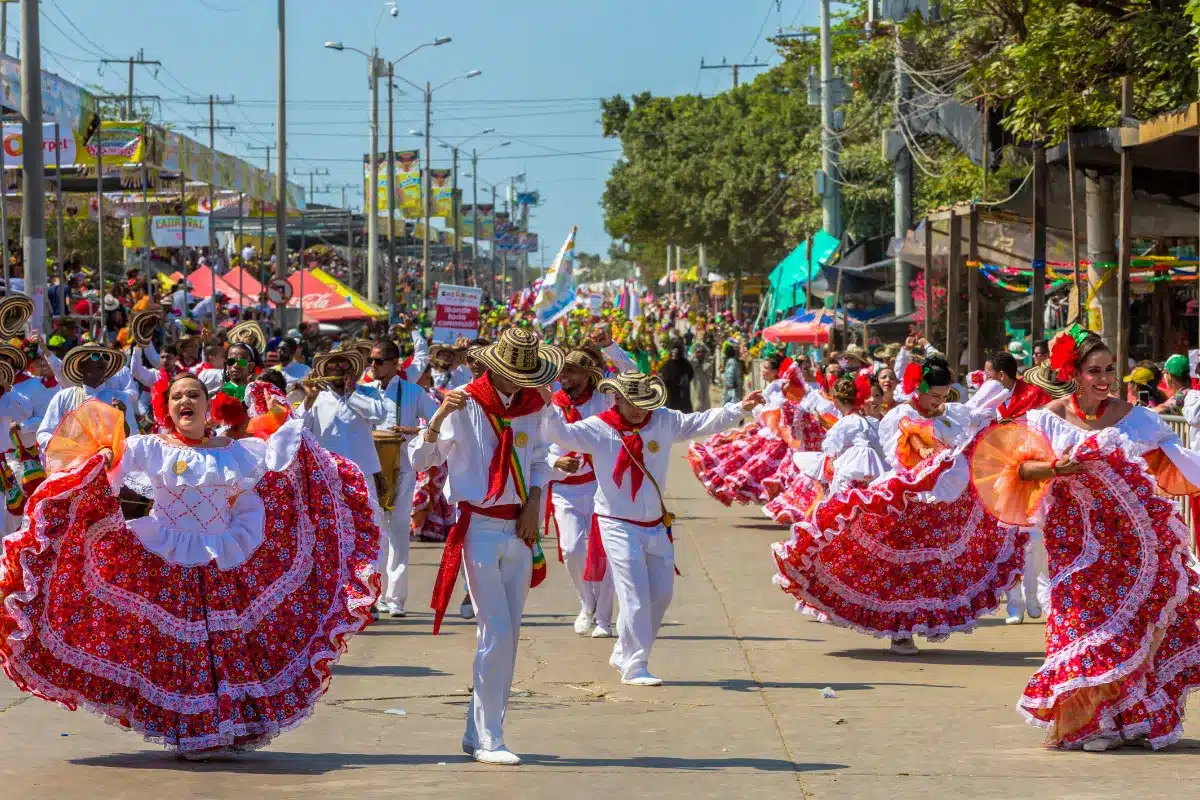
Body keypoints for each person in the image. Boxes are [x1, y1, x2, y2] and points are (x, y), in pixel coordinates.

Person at [0, 370, 382, 756]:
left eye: (193, 395)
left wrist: (277, 420)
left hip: (222, 563)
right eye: (177, 396)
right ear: (166, 407)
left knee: (227, 649)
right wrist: (152, 532)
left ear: (207, 405)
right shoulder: (148, 448)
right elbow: (130, 490)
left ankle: (226, 725)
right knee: (180, 654)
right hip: (167, 563)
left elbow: (266, 476)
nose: (186, 401)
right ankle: (192, 731)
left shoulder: (236, 451)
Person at [981, 327, 1200, 751]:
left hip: (1129, 542)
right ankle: (1092, 720)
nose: (1105, 378)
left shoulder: (1135, 417)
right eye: (1094, 370)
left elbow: (1175, 459)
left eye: (1110, 369)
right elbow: (1015, 469)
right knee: (1079, 627)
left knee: (1128, 627)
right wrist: (1058, 469)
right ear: (1074, 374)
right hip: (1072, 543)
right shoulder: (1048, 417)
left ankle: (1125, 721)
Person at [772, 355, 1025, 656]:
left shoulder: (949, 413)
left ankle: (913, 625)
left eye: (944, 396)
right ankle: (900, 633)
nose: (938, 402)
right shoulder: (901, 416)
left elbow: (972, 420)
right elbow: (903, 458)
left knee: (929, 569)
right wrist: (936, 458)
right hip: (903, 499)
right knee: (898, 568)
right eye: (934, 396)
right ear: (918, 389)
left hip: (937, 501)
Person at [542, 371, 762, 687]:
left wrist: (739, 408)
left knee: (661, 595)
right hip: (616, 524)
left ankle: (624, 651)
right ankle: (635, 665)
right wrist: (549, 407)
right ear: (616, 399)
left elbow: (700, 422)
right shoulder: (599, 427)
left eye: (644, 404)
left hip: (656, 525)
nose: (638, 410)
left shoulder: (662, 421)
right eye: (632, 403)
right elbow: (561, 436)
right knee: (634, 596)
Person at [409, 328, 560, 766]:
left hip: (518, 527)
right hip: (477, 526)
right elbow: (422, 460)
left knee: (508, 636)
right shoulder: (464, 400)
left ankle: (478, 729)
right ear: (494, 368)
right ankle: (491, 739)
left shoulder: (533, 406)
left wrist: (534, 501)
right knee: (493, 630)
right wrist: (437, 417)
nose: (520, 381)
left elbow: (538, 458)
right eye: (514, 372)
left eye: (526, 373)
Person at [545, 341, 635, 640]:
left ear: (587, 374)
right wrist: (554, 461)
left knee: (606, 553)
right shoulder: (551, 402)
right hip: (563, 489)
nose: (565, 377)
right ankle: (587, 604)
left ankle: (605, 620)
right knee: (573, 549)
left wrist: (610, 346)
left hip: (601, 487)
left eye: (571, 371)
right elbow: (534, 447)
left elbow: (632, 374)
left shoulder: (603, 400)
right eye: (562, 372)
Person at [367, 338, 439, 618]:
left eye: (379, 361)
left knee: (397, 532)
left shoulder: (412, 392)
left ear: (395, 364)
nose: (373, 365)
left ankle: (395, 598)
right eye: (371, 360)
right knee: (373, 533)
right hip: (371, 469)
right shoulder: (364, 391)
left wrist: (413, 430)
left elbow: (437, 421)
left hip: (404, 468)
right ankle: (371, 597)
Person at [298, 349, 389, 512]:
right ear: (325, 372)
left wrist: (352, 392)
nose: (338, 370)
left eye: (343, 365)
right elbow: (297, 430)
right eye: (332, 367)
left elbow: (379, 416)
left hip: (363, 473)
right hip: (329, 474)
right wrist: (309, 399)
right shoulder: (316, 398)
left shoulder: (368, 392)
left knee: (369, 524)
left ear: (352, 370)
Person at [35, 345, 138, 450]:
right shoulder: (64, 397)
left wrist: (122, 419)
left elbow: (133, 440)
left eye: (106, 357)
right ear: (81, 366)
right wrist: (67, 448)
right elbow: (44, 433)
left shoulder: (121, 398)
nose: (102, 360)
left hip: (114, 462)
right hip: (75, 463)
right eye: (95, 356)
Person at [659, 344, 694, 413]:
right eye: (673, 353)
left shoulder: (685, 364)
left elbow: (691, 374)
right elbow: (662, 375)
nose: (674, 355)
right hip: (670, 392)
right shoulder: (667, 364)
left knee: (683, 411)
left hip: (682, 392)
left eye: (676, 353)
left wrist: (684, 381)